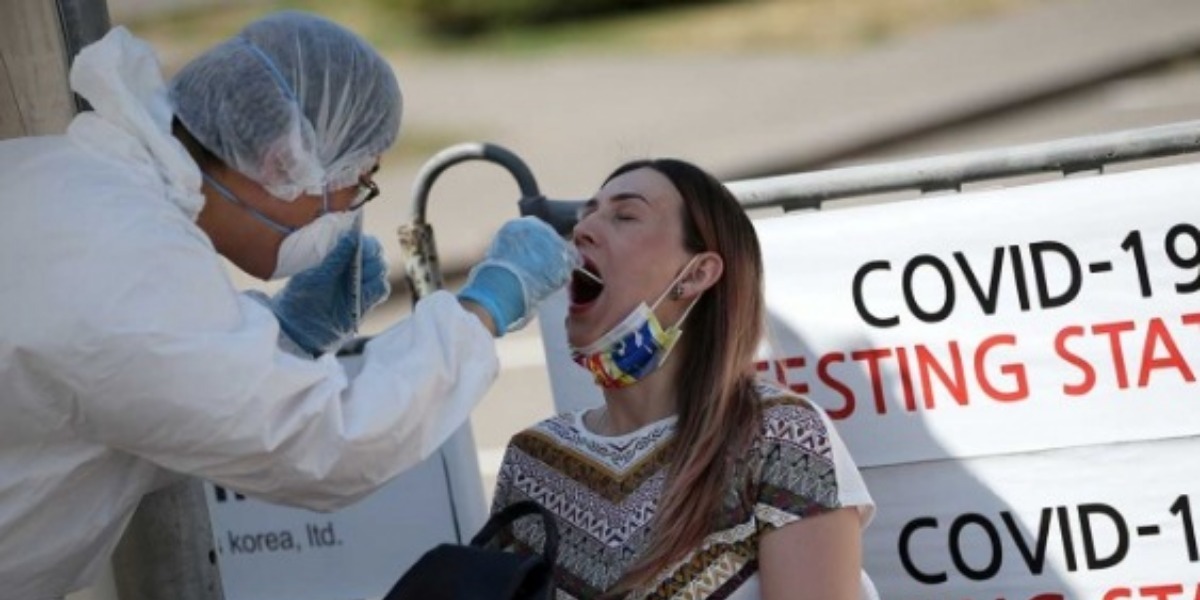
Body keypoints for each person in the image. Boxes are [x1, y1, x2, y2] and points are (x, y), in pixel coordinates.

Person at [0, 11, 576, 598]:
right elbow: (328, 446)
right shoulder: (133, 263)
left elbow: (155, 405)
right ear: (281, 161)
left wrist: (284, 338)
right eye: (357, 182)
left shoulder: (65, 178)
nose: (351, 209)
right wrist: (483, 307)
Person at [489, 158, 876, 599]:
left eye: (625, 215)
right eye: (586, 216)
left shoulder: (779, 435)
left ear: (695, 275)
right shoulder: (534, 461)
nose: (584, 231)